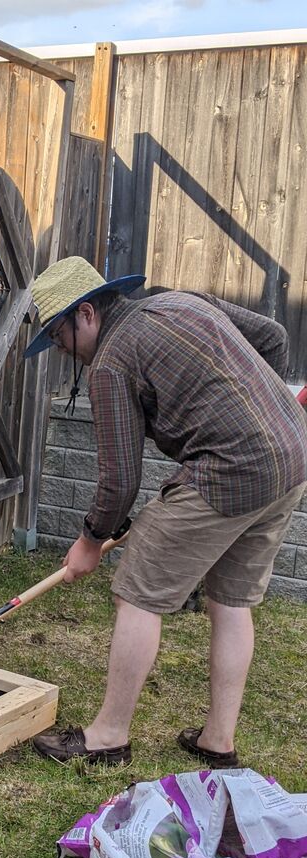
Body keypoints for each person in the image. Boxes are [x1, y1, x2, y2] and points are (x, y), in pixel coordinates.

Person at [24, 256, 307, 768]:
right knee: (231, 599)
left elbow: (119, 480)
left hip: (233, 467)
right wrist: (260, 407)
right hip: (292, 453)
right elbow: (274, 338)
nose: (62, 350)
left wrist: (90, 542)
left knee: (139, 593)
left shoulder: (110, 361)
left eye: (58, 335)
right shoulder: (182, 300)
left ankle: (107, 737)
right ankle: (217, 742)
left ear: (86, 313)